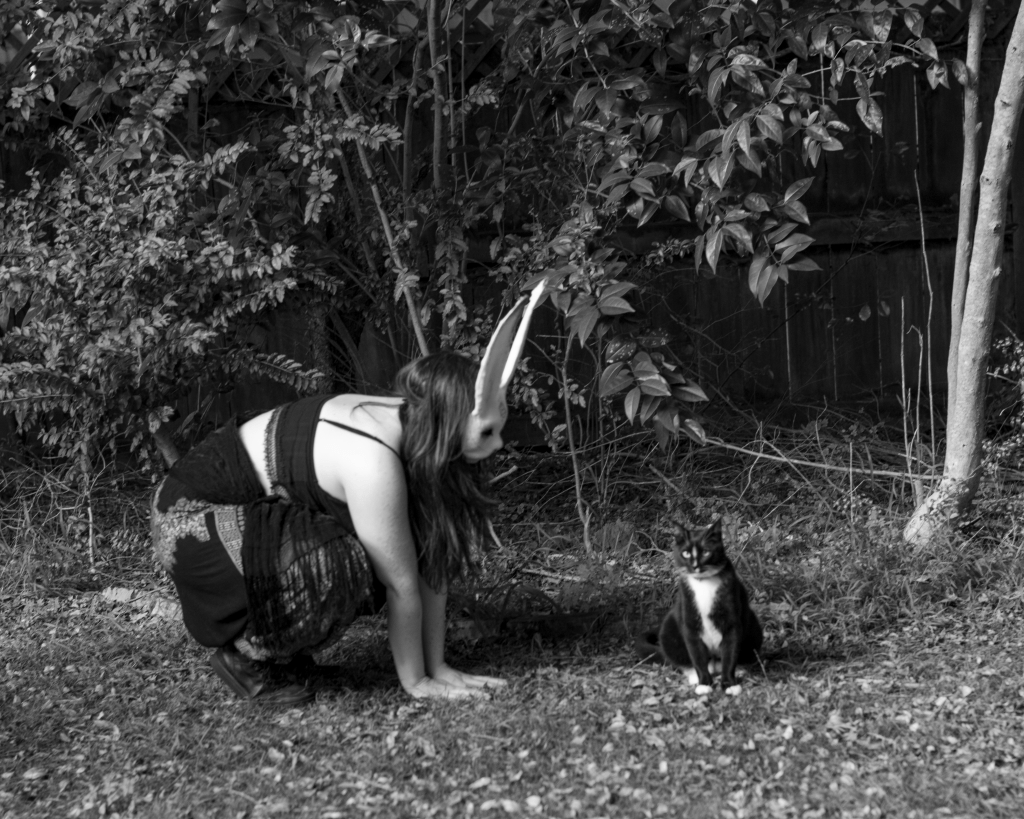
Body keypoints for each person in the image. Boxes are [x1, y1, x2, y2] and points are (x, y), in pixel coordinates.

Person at [150, 282, 548, 704]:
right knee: (344, 564)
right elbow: (401, 583)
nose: (499, 444)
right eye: (487, 432)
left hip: (248, 512)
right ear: (449, 423)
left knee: (387, 550)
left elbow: (430, 565)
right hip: (190, 519)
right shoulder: (373, 458)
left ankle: (282, 649)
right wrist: (417, 682)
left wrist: (440, 668)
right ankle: (250, 655)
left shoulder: (413, 429)